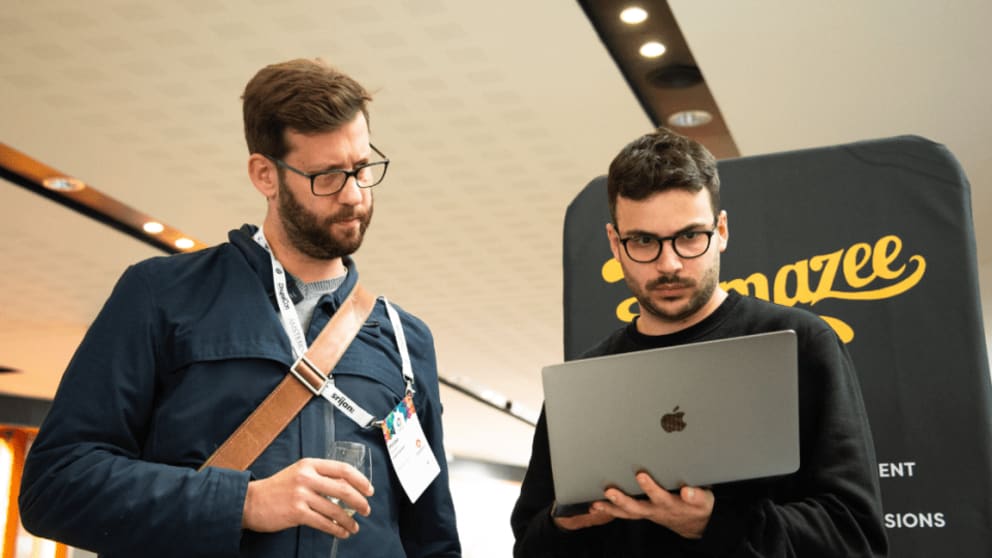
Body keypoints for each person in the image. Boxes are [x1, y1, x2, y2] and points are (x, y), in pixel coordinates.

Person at [19, 59, 461, 558]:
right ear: (265, 175)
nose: (355, 195)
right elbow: (54, 486)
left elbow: (433, 539)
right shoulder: (161, 295)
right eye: (328, 176)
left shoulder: (406, 339)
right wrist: (243, 503)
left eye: (362, 168)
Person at [510, 127, 888, 557]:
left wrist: (717, 524)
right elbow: (528, 545)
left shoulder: (799, 344)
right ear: (616, 244)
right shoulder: (582, 385)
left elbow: (855, 537)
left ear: (721, 231)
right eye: (644, 241)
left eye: (690, 236)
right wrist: (564, 525)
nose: (668, 264)